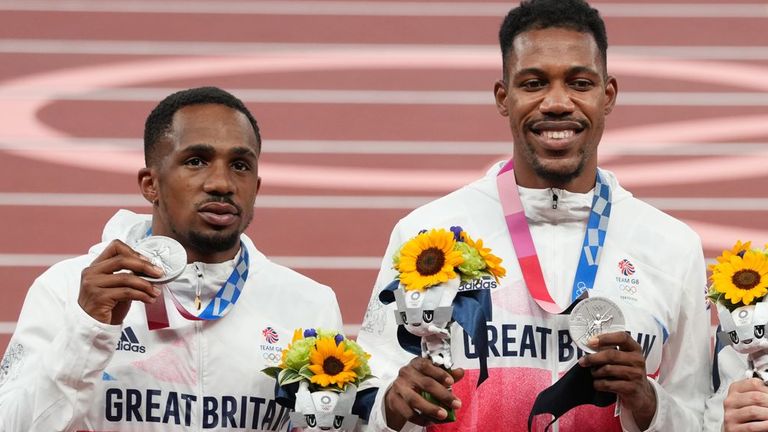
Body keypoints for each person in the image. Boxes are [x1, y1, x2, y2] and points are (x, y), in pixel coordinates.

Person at [356, 0, 711, 431]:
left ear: (608, 95)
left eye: (580, 83)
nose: (558, 103)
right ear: (504, 98)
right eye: (534, 83)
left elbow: (702, 417)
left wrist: (648, 399)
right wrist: (390, 406)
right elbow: (365, 399)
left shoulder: (671, 246)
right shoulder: (424, 236)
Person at [0, 86, 344, 430]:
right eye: (196, 161)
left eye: (240, 165)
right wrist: (87, 331)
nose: (222, 183)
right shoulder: (67, 290)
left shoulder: (308, 305)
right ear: (151, 184)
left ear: (256, 187)